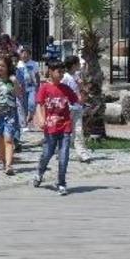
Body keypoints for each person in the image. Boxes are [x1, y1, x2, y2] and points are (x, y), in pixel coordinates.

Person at [32, 60, 79, 196]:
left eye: (63, 72)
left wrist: (85, 94)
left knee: (64, 156)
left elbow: (76, 100)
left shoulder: (66, 89)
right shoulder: (45, 88)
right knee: (48, 153)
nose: (61, 74)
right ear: (51, 72)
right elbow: (39, 104)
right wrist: (40, 118)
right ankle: (40, 172)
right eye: (59, 71)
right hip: (50, 128)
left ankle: (61, 183)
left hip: (65, 126)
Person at [61, 55, 92, 163]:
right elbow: (61, 91)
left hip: (77, 107)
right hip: (68, 108)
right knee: (65, 131)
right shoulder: (65, 77)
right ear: (74, 65)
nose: (80, 65)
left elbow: (81, 90)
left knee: (78, 130)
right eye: (78, 63)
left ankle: (82, 153)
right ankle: (60, 150)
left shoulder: (77, 76)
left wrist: (81, 86)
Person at [16, 47, 40, 131]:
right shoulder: (18, 64)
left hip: (32, 87)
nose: (24, 55)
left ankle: (30, 116)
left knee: (32, 103)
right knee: (23, 106)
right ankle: (24, 124)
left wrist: (38, 86)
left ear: (29, 55)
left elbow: (37, 75)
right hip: (22, 88)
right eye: (23, 54)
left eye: (26, 54)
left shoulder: (34, 64)